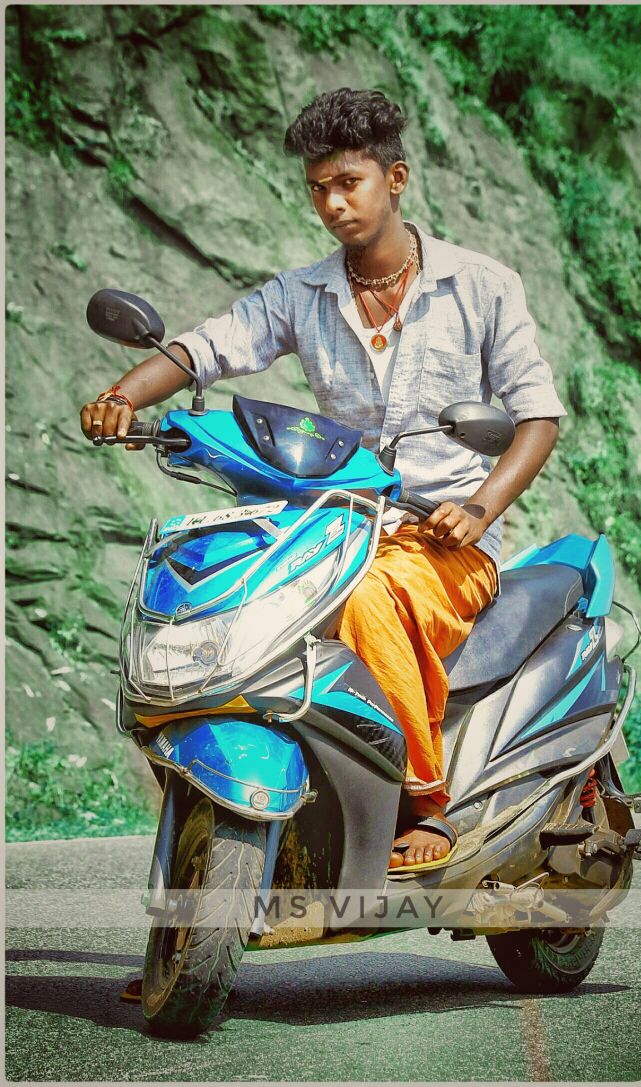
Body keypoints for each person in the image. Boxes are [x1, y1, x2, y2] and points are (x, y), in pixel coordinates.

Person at [81, 87, 566, 883]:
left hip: (443, 538)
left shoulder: (482, 284)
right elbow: (209, 347)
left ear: (395, 178)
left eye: (349, 183)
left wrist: (480, 509)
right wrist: (124, 398)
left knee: (372, 598)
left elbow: (537, 416)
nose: (333, 204)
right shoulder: (301, 294)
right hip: (332, 528)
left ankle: (423, 800)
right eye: (318, 188)